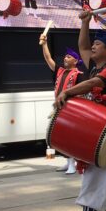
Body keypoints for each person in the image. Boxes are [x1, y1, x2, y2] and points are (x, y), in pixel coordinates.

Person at [55, 14, 106, 211]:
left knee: (94, 181)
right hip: (96, 134)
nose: (92, 47)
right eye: (94, 45)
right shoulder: (95, 67)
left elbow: (93, 85)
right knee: (102, 180)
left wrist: (68, 91)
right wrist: (85, 21)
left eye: (98, 45)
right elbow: (82, 45)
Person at [40, 34, 84, 175]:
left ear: (76, 61)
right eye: (65, 56)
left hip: (71, 110)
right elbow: (48, 58)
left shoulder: (79, 74)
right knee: (61, 137)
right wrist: (44, 44)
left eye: (69, 57)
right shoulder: (60, 71)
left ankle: (73, 163)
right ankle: (68, 162)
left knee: (70, 137)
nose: (65, 58)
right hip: (60, 108)